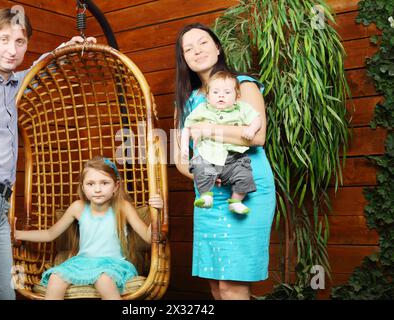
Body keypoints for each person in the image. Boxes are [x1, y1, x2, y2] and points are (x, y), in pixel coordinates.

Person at [0, 7, 96, 300]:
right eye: (4, 39)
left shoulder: (17, 83)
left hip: (0, 207)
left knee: (3, 294)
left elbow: (45, 67)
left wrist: (68, 49)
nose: (12, 50)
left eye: (20, 42)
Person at [174, 23, 276, 300]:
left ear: (217, 48)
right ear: (184, 58)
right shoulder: (187, 100)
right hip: (209, 194)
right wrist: (203, 172)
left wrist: (209, 131)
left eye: (203, 42)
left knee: (233, 284)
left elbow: (258, 137)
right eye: (188, 48)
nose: (197, 50)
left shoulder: (243, 85)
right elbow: (181, 158)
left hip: (247, 189)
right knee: (216, 285)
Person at [14, 156, 163, 300]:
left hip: (113, 263)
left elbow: (149, 237)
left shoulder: (122, 207)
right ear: (83, 187)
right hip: (82, 262)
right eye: (90, 184)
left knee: (104, 280)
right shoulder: (78, 208)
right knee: (55, 278)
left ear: (116, 186)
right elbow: (49, 234)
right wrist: (17, 234)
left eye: (104, 183)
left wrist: (157, 213)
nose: (97, 189)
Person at [181, 71, 262, 214]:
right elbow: (187, 127)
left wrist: (251, 129)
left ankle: (236, 200)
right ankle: (206, 195)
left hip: (234, 158)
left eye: (227, 92)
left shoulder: (241, 109)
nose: (221, 95)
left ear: (237, 97)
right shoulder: (202, 110)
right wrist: (184, 148)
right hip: (208, 156)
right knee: (199, 167)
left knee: (244, 175)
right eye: (216, 92)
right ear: (207, 97)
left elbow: (257, 119)